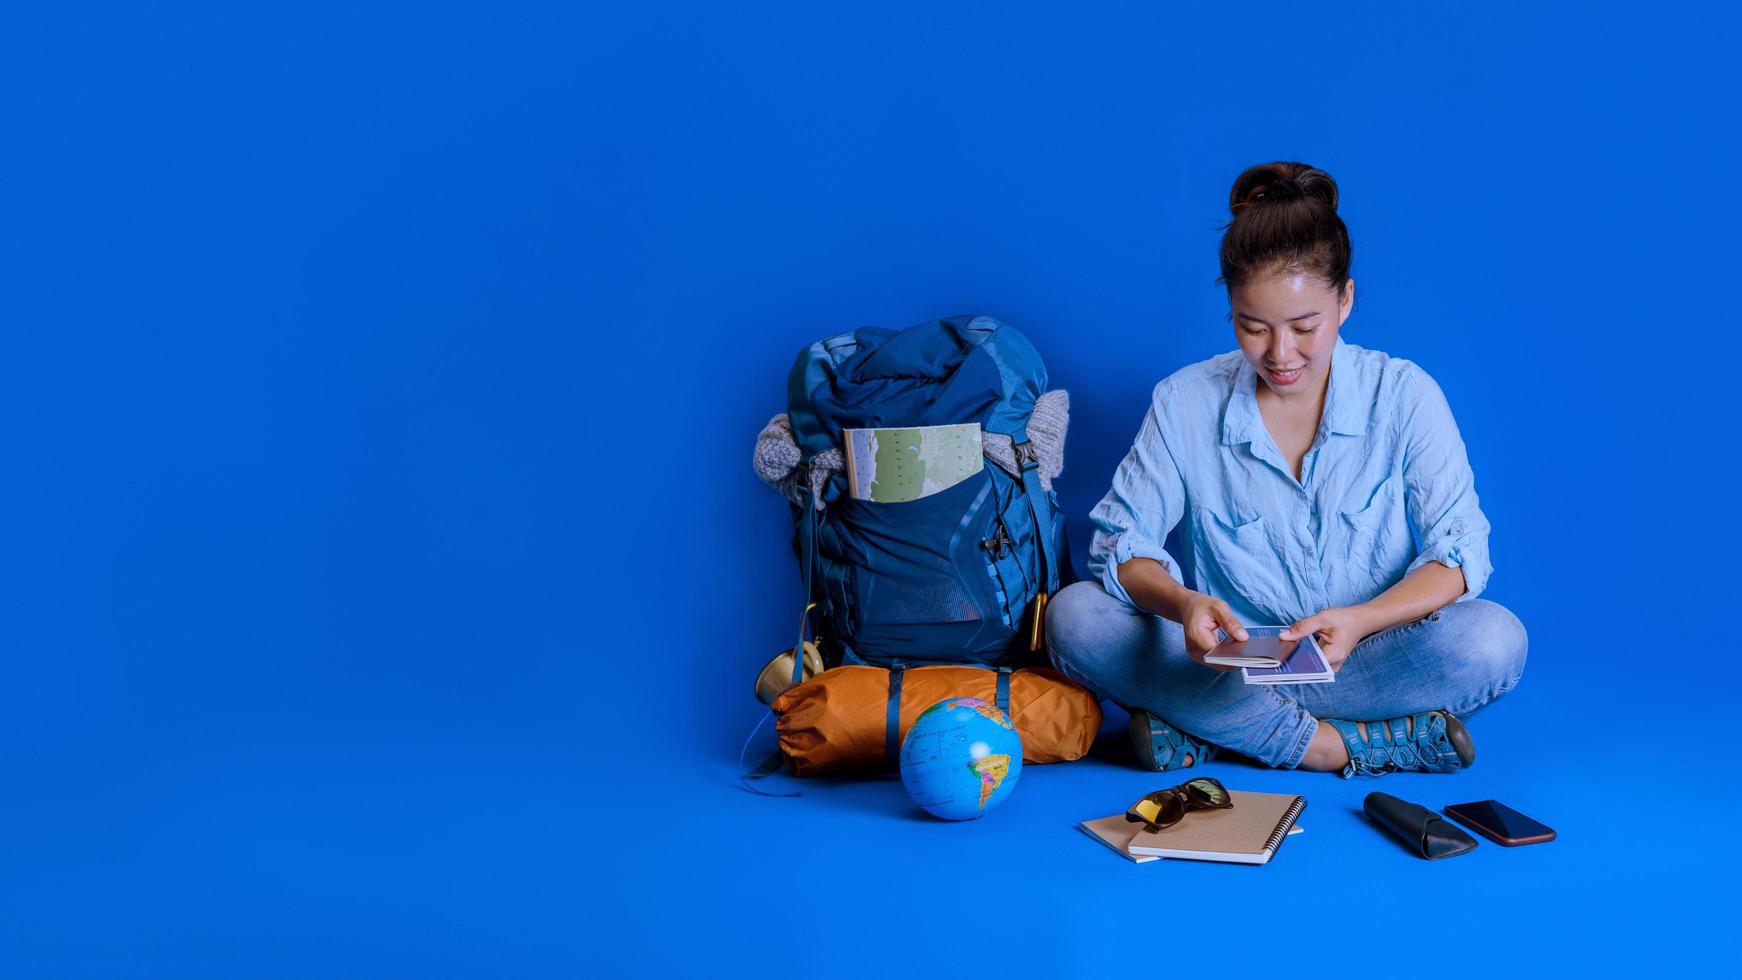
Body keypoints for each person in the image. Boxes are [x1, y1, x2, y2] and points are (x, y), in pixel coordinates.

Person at [1045, 162, 1527, 777]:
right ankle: (1334, 748)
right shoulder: (1185, 401)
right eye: (1254, 328)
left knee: (1494, 640)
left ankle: (1214, 730)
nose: (1280, 355)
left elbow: (1458, 556)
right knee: (1076, 617)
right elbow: (1122, 546)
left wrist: (1362, 620)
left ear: (1345, 299)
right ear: (1230, 309)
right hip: (1228, 665)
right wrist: (1184, 602)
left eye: (1305, 328)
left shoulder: (1405, 395)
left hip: (1365, 660)